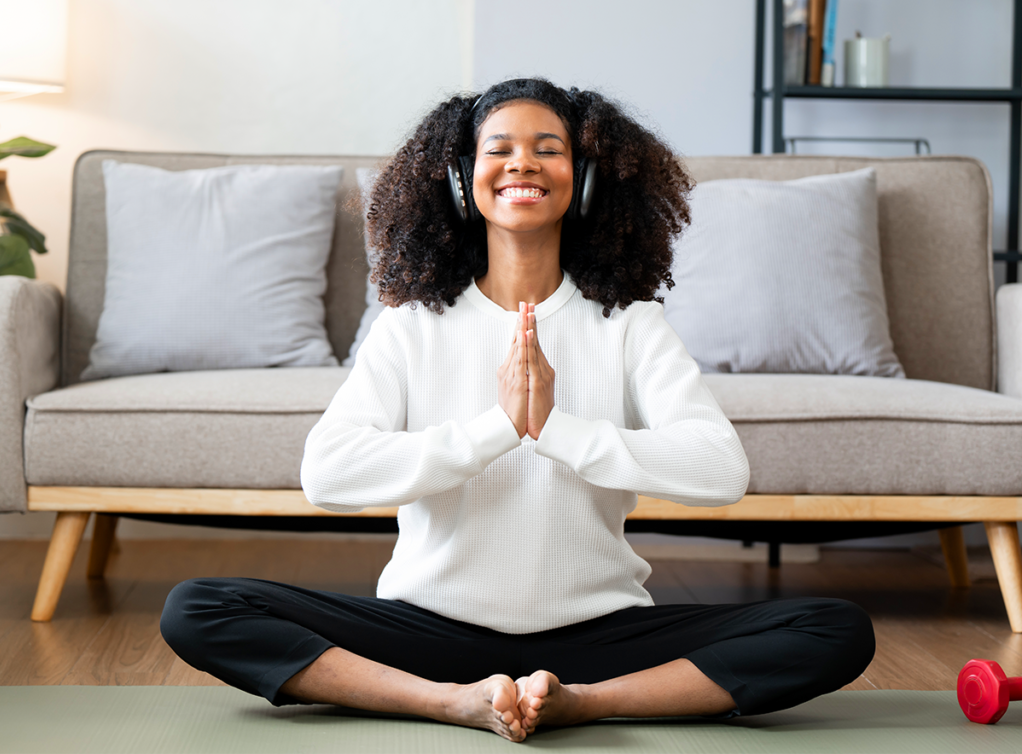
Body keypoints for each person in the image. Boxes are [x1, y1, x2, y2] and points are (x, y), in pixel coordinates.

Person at [161, 78, 875, 743]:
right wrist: (496, 431)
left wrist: (556, 430)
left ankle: (585, 701)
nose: (522, 164)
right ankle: (448, 701)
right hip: (428, 630)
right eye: (498, 149)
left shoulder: (630, 325)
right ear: (460, 179)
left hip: (599, 634)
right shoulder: (411, 327)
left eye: (548, 149)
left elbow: (720, 471)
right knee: (197, 607)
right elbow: (328, 474)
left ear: (585, 178)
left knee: (835, 628)